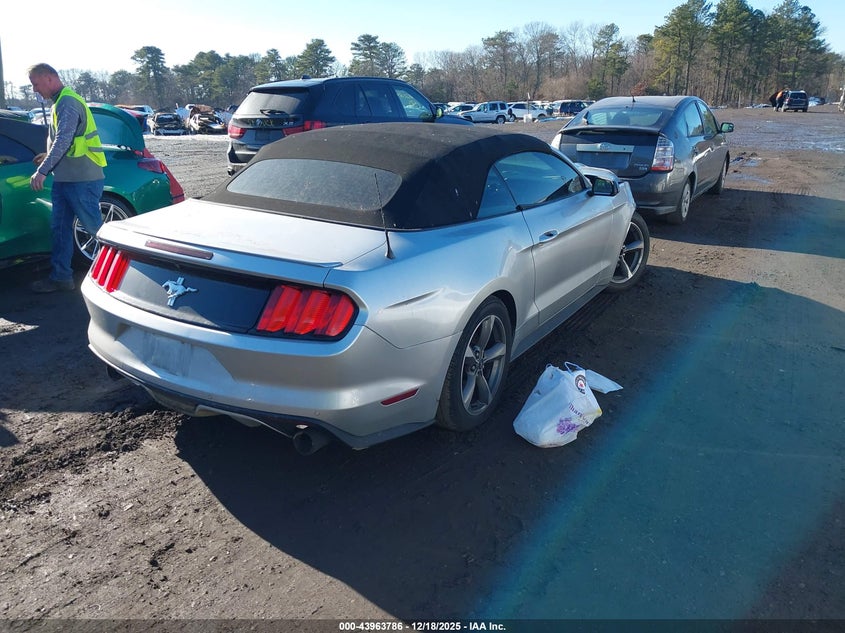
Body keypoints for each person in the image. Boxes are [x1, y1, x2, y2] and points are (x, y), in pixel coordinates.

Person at [27, 63, 106, 293]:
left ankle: (121, 278)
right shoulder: (60, 102)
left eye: (36, 84)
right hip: (66, 178)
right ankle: (61, 277)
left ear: (50, 79)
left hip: (83, 178)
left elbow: (64, 139)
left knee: (96, 231)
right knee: (60, 229)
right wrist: (47, 156)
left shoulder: (68, 101)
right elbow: (65, 141)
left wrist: (43, 170)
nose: (35, 90)